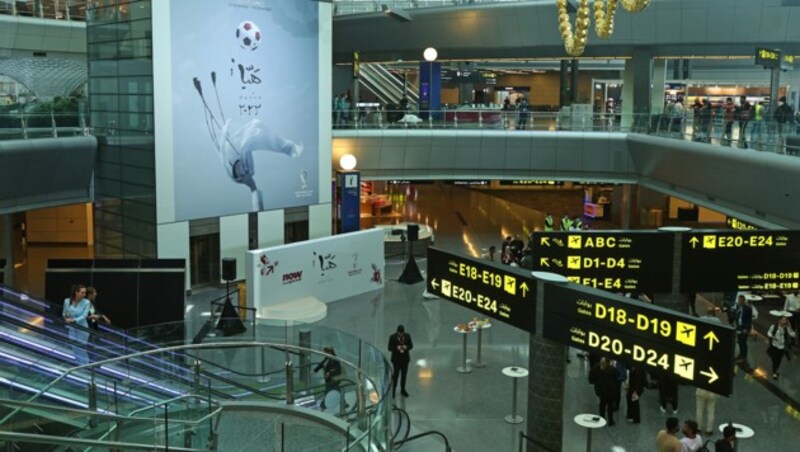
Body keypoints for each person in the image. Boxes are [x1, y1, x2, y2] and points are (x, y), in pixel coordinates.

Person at [62, 284, 91, 366]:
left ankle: (85, 365)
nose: (84, 295)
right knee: (74, 347)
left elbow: (84, 315)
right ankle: (78, 364)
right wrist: (66, 317)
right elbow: (64, 312)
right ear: (76, 292)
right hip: (71, 329)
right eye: (82, 293)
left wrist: (74, 320)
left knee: (81, 348)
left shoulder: (86, 302)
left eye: (85, 293)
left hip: (82, 329)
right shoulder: (67, 301)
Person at [589, 357, 618, 426]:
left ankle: (602, 418)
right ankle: (610, 421)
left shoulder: (596, 368)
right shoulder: (612, 369)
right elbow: (617, 376)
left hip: (600, 390)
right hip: (610, 391)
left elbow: (591, 379)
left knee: (602, 403)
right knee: (610, 405)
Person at [767, 313, 796, 379]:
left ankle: (775, 370)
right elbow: (769, 332)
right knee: (775, 360)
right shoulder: (774, 326)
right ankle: (774, 372)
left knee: (779, 360)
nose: (784, 321)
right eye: (783, 320)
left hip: (782, 347)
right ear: (779, 320)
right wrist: (772, 336)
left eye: (785, 320)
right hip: (775, 346)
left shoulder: (786, 327)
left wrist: (790, 326)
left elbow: (793, 335)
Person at [388, 325, 413, 398]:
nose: (401, 335)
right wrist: (396, 348)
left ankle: (403, 389)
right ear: (397, 332)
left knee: (404, 375)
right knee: (396, 375)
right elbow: (389, 348)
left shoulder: (408, 336)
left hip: (405, 359)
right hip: (396, 360)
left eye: (402, 333)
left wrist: (406, 347)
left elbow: (411, 345)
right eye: (400, 334)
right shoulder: (392, 337)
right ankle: (393, 390)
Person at [733, 294, 753, 364]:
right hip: (739, 327)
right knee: (740, 342)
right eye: (738, 300)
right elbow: (737, 316)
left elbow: (749, 320)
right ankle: (740, 355)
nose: (739, 301)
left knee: (743, 342)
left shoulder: (748, 308)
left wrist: (746, 329)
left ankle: (743, 357)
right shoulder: (738, 307)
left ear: (743, 301)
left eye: (740, 300)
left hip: (744, 328)